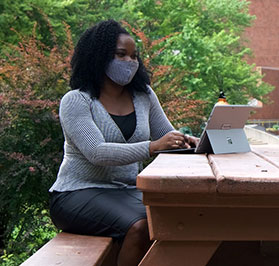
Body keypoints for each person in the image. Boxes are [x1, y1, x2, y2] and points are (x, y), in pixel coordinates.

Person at [48, 20, 198, 266]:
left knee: (177, 217)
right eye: (121, 55)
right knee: (140, 227)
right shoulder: (76, 101)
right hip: (77, 193)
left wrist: (185, 142)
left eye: (134, 56)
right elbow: (97, 152)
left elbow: (166, 135)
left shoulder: (144, 96)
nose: (130, 62)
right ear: (99, 56)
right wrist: (153, 146)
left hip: (126, 192)